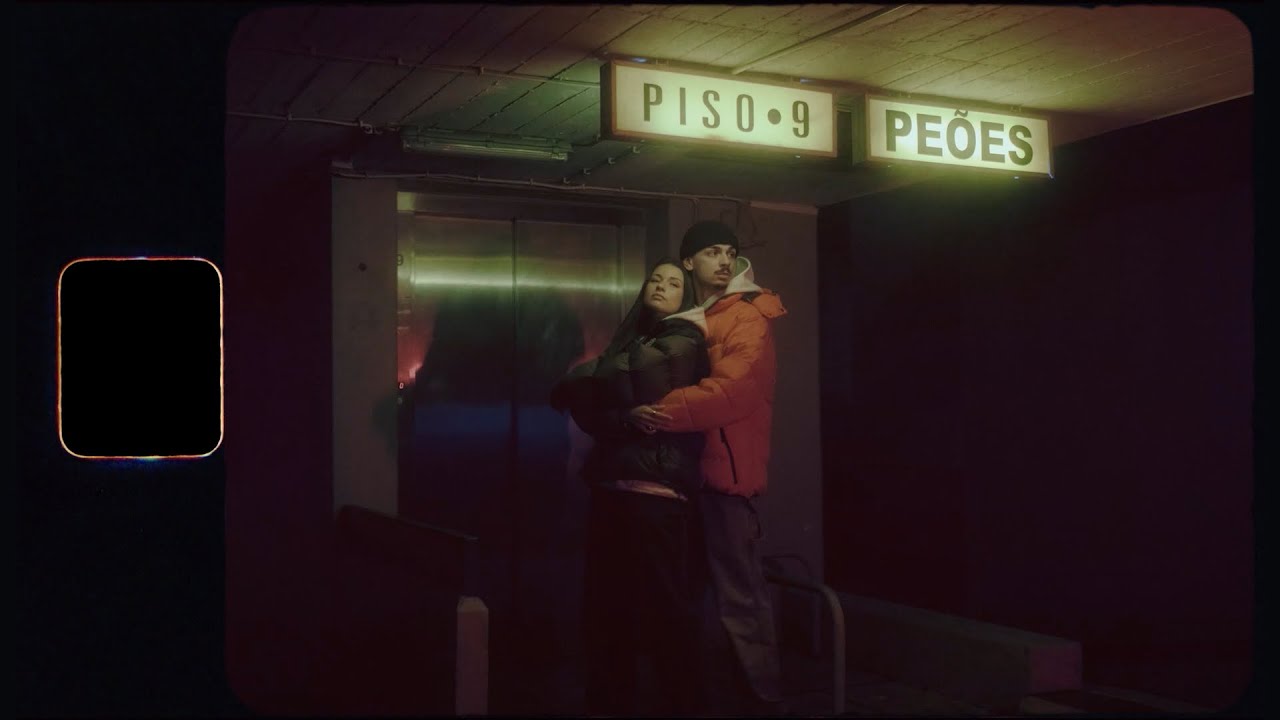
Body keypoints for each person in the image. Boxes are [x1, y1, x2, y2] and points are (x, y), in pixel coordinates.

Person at [629, 220, 789, 716]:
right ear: (688, 261)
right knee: (694, 597)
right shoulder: (692, 316)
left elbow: (734, 390)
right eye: (712, 252)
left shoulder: (745, 315)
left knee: (739, 598)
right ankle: (708, 699)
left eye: (729, 252)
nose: (723, 260)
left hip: (725, 480)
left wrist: (654, 415)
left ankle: (764, 701)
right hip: (684, 478)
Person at [549, 258, 711, 717]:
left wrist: (590, 378)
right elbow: (590, 403)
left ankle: (683, 705)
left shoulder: (684, 340)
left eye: (673, 283)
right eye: (655, 280)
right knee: (606, 609)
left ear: (686, 297)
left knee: (665, 611)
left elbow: (618, 380)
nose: (661, 286)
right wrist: (621, 414)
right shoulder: (633, 341)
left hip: (657, 493)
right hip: (611, 490)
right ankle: (610, 702)